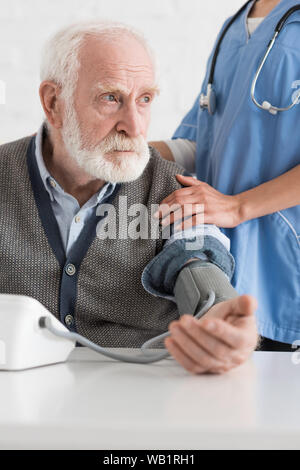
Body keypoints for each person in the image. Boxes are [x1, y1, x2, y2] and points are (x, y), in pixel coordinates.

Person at [0, 21, 258, 374]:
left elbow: (197, 261)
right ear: (53, 102)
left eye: (145, 100)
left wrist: (221, 320)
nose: (135, 127)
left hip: (137, 398)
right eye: (111, 98)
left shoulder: (171, 186)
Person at [151, 0, 300, 351]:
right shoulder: (233, 28)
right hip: (225, 266)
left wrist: (236, 207)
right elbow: (200, 143)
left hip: (285, 266)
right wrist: (114, 151)